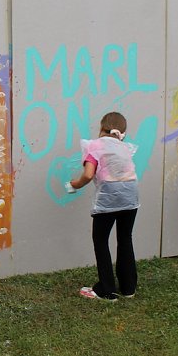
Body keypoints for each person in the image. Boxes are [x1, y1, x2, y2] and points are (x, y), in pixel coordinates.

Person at [66, 111, 139, 301]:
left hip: (108, 198)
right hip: (131, 197)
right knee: (125, 238)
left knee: (101, 240)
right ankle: (128, 287)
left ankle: (106, 290)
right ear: (122, 131)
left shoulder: (94, 146)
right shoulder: (124, 147)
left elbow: (89, 174)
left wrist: (76, 184)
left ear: (101, 127)